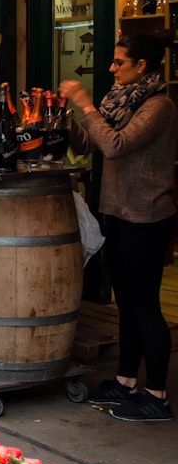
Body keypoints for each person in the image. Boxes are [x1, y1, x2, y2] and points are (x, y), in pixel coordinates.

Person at [61, 30, 176, 423]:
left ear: (141, 66)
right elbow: (87, 145)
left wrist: (85, 103)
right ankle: (126, 381)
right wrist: (63, 112)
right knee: (127, 304)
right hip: (119, 212)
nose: (111, 68)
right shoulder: (118, 103)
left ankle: (157, 395)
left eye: (118, 62)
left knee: (145, 307)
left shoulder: (158, 106)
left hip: (146, 215)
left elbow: (116, 146)